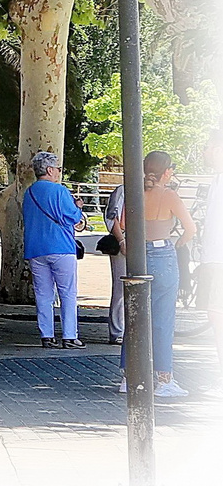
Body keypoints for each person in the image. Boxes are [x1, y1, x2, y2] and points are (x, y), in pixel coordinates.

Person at [115, 150, 199, 397]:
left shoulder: (134, 192)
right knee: (162, 320)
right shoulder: (169, 195)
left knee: (135, 318)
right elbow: (190, 228)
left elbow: (120, 224)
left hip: (138, 255)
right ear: (166, 171)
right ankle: (164, 378)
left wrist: (127, 242)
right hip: (163, 254)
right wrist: (178, 243)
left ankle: (128, 376)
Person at [22, 150, 88, 349]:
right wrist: (78, 207)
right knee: (67, 292)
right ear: (50, 170)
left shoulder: (29, 192)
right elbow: (74, 218)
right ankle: (69, 336)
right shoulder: (60, 191)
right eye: (58, 169)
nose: (59, 172)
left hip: (35, 248)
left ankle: (47, 335)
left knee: (43, 294)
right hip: (61, 247)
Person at [199, 130, 223, 364]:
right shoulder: (215, 180)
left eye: (208, 147)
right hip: (213, 259)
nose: (204, 152)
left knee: (216, 313)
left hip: (219, 259)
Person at [105, 180, 127, 345]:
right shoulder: (121, 191)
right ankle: (117, 330)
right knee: (120, 288)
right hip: (124, 240)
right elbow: (112, 218)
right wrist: (121, 240)